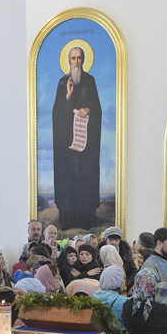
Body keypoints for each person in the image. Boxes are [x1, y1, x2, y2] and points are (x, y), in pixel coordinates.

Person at [51, 46, 102, 229]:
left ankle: (87, 219)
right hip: (67, 146)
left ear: (84, 60)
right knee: (68, 177)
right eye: (73, 58)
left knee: (86, 177)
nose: (76, 62)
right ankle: (67, 219)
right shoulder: (62, 83)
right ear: (68, 60)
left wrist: (89, 109)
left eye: (79, 58)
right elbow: (57, 113)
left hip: (86, 146)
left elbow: (98, 108)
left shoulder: (90, 81)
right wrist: (67, 97)